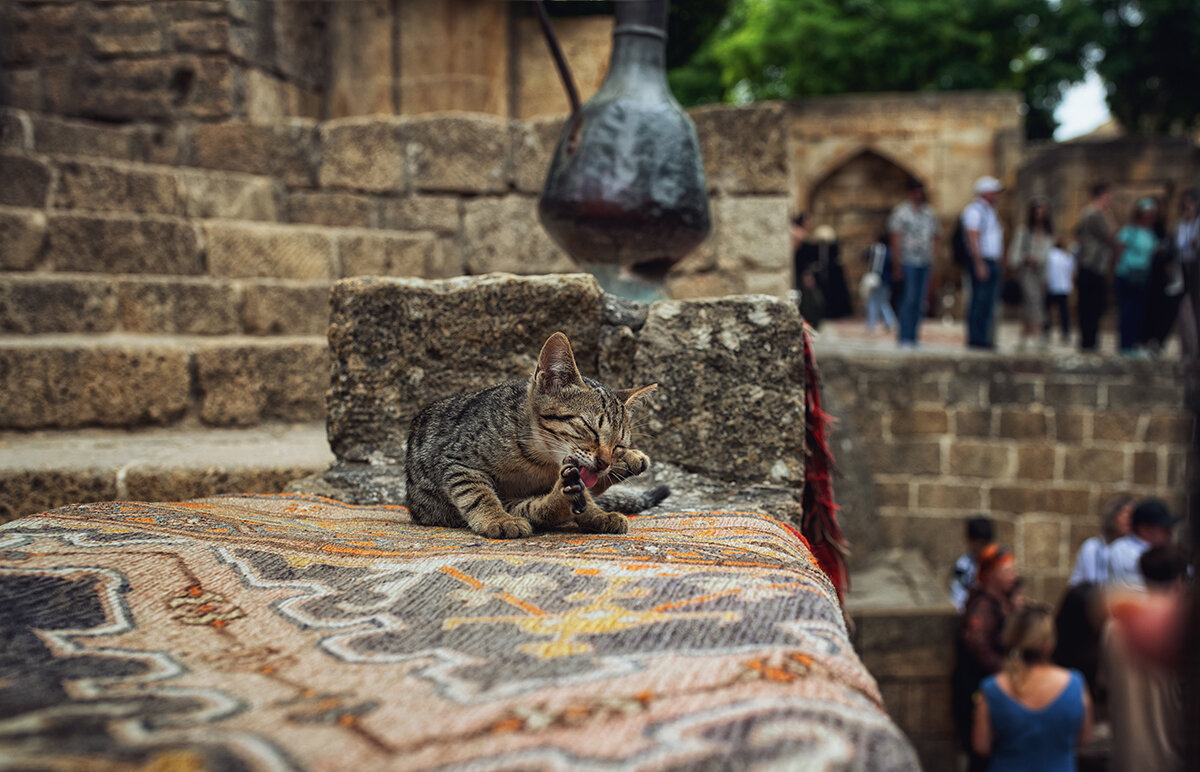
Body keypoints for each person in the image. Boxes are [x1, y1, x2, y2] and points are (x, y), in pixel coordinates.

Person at [973, 603, 1093, 772]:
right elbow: (1084, 739)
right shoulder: (1075, 683)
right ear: (1049, 643)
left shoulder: (992, 687)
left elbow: (981, 746)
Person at [1102, 544, 1189, 772]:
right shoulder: (1184, 630)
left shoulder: (1114, 628)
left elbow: (1106, 683)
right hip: (1171, 760)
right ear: (1180, 580)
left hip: (1125, 757)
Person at [953, 543, 1018, 772]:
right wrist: (1007, 671)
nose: (1014, 576)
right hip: (979, 689)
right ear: (991, 574)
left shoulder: (1000, 601)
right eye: (1008, 571)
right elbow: (977, 644)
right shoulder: (983, 605)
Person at [887, 177, 941, 348]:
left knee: (920, 301)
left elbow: (935, 236)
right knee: (908, 299)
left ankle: (914, 337)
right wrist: (897, 264)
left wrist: (933, 257)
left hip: (924, 261)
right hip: (908, 260)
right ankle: (904, 337)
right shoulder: (901, 213)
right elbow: (895, 239)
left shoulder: (929, 213)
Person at [1113, 197, 1160, 357]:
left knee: (1138, 313)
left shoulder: (1151, 233)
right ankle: (1125, 346)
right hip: (1126, 275)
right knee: (1127, 311)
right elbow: (1118, 250)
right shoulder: (1129, 231)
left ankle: (1133, 344)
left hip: (1143, 277)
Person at [963, 176, 1005, 349]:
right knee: (979, 300)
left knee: (988, 302)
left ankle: (984, 336)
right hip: (982, 260)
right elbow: (973, 237)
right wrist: (979, 263)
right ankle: (976, 338)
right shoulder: (975, 211)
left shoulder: (989, 212)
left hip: (991, 261)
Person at [1073, 182, 1115, 352]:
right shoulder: (1096, 213)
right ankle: (1089, 341)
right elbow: (1111, 235)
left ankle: (1088, 340)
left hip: (1088, 265)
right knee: (1092, 305)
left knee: (1088, 305)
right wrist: (1109, 215)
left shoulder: (1086, 212)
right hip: (1092, 265)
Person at [1007, 199, 1054, 349]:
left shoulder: (1047, 233)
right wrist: (1026, 258)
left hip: (1042, 272)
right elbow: (1014, 255)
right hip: (1027, 272)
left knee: (1031, 304)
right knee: (1034, 301)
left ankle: (1023, 338)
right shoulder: (1024, 232)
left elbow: (1048, 256)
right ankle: (1040, 334)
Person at [1107, 497, 1179, 590]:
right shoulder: (1123, 551)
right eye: (1163, 528)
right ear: (1143, 529)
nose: (1169, 533)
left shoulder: (1161, 550)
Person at [1067, 494, 1134, 587]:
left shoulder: (1133, 550)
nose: (1129, 519)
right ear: (1113, 516)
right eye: (1124, 513)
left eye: (1132, 515)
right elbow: (1087, 581)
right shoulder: (1093, 547)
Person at [1172, 189, 1199, 356]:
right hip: (1182, 269)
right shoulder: (1180, 225)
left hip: (1196, 268)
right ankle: (1188, 347)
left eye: (1191, 203)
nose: (1187, 206)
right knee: (1184, 308)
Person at [951, 515, 995, 612]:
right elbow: (958, 597)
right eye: (981, 543)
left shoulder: (996, 562)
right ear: (970, 541)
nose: (984, 548)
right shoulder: (963, 566)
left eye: (986, 544)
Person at [791, 214, 826, 328]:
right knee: (809, 299)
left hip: (801, 271)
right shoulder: (798, 234)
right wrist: (807, 274)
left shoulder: (798, 234)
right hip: (802, 272)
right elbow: (801, 257)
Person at [862, 229, 898, 334]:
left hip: (877, 279)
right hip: (886, 280)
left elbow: (864, 256)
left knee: (874, 301)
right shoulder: (890, 251)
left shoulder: (875, 249)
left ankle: (872, 323)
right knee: (883, 301)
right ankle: (889, 322)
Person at [1043, 240, 1075, 344]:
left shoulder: (1049, 256)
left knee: (1047, 312)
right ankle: (1065, 333)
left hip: (1051, 287)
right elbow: (1072, 272)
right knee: (1064, 312)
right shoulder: (1067, 257)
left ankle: (1046, 333)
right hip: (1063, 287)